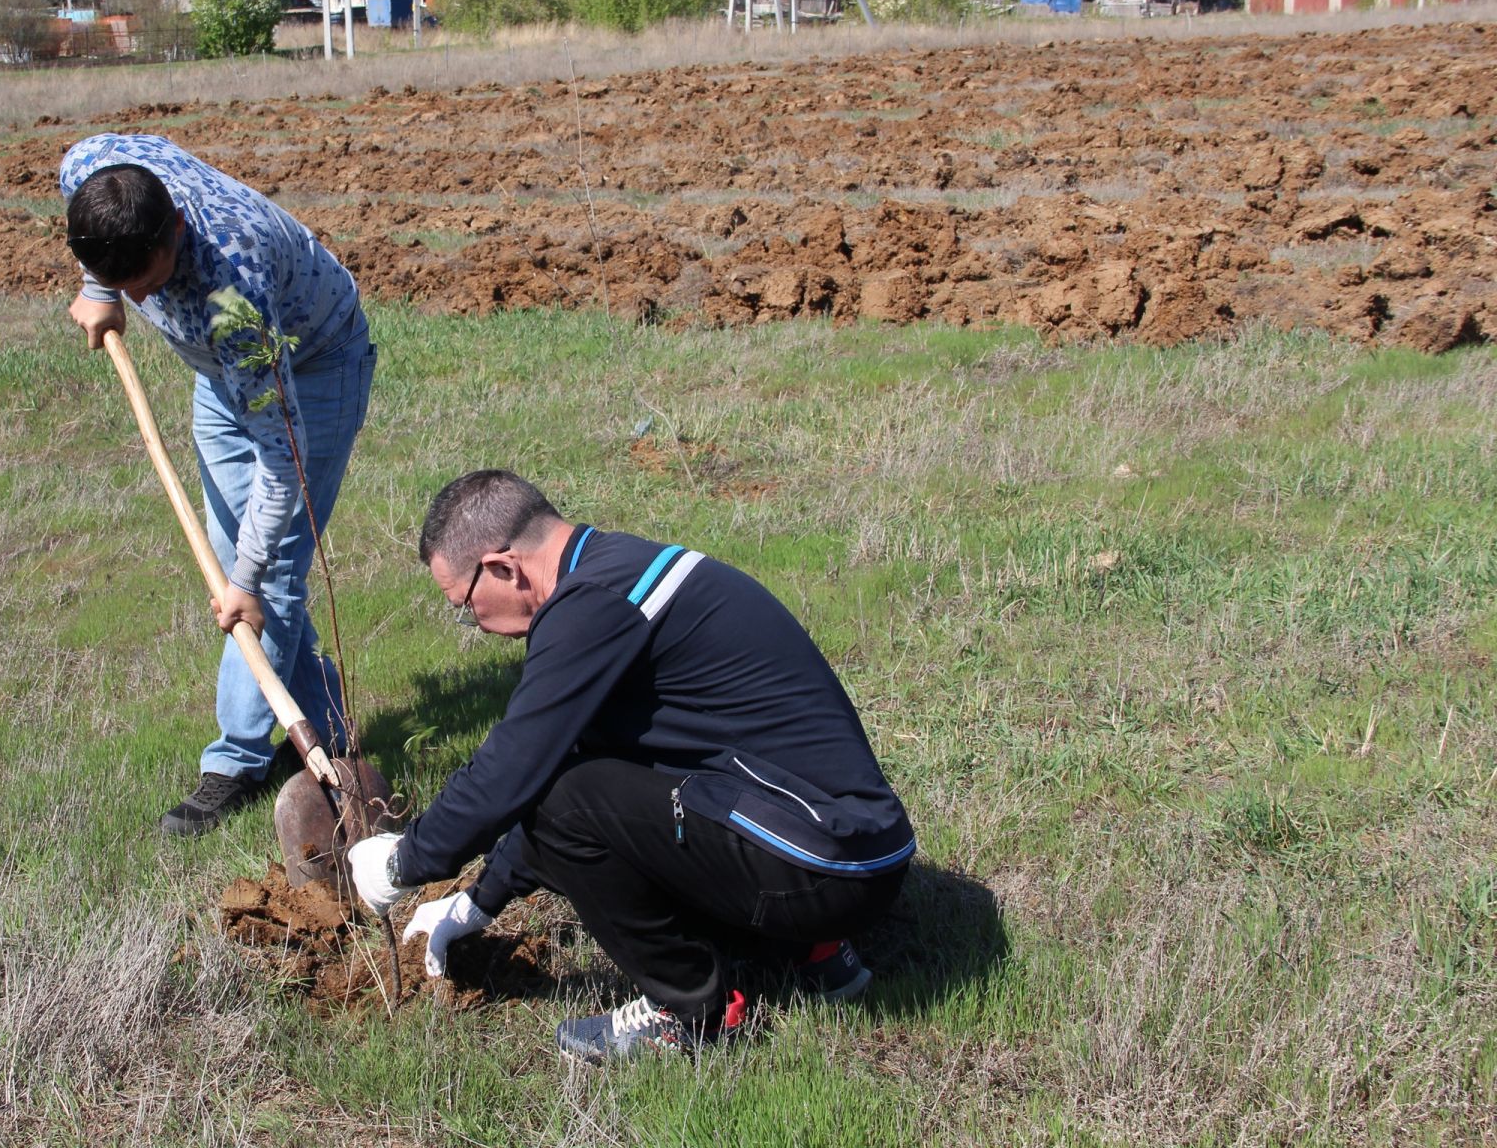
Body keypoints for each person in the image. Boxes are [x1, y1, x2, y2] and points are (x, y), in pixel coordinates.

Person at [348, 471, 915, 1064]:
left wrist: (401, 862)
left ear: (503, 568)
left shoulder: (593, 606)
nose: (475, 624)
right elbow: (569, 754)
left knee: (567, 803)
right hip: (851, 848)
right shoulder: (615, 572)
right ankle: (810, 950)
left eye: (464, 606)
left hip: (830, 865)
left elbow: (515, 770)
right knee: (592, 786)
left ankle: (694, 1010)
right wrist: (477, 902)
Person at [59, 132, 375, 836]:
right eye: (124, 285)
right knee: (244, 560)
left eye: (147, 280)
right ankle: (328, 729)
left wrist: (247, 582)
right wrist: (97, 291)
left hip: (311, 363)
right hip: (219, 374)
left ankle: (234, 763)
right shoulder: (90, 169)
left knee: (264, 574)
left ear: (175, 229)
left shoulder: (233, 294)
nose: (139, 297)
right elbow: (96, 222)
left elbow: (278, 465)